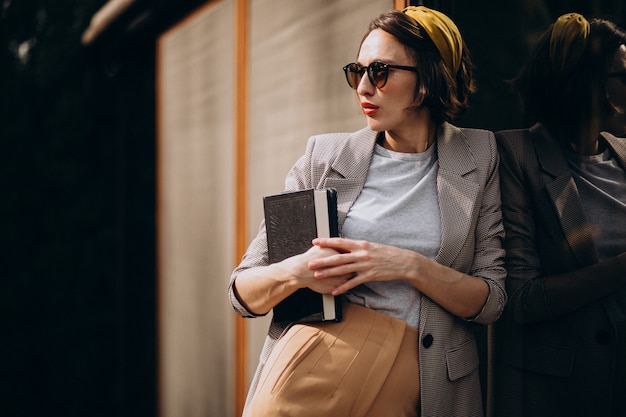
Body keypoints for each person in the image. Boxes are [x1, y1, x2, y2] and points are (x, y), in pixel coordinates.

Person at [229, 6, 506, 417]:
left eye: (379, 72)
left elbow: (491, 300)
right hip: (314, 376)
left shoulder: (479, 155)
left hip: (423, 387)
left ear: (428, 79)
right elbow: (242, 293)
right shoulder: (322, 159)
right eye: (355, 72)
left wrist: (409, 266)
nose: (363, 87)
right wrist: (297, 271)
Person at [494, 13, 626, 417]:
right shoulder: (516, 156)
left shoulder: (624, 154)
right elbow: (522, 299)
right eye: (625, 74)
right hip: (565, 392)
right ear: (588, 88)